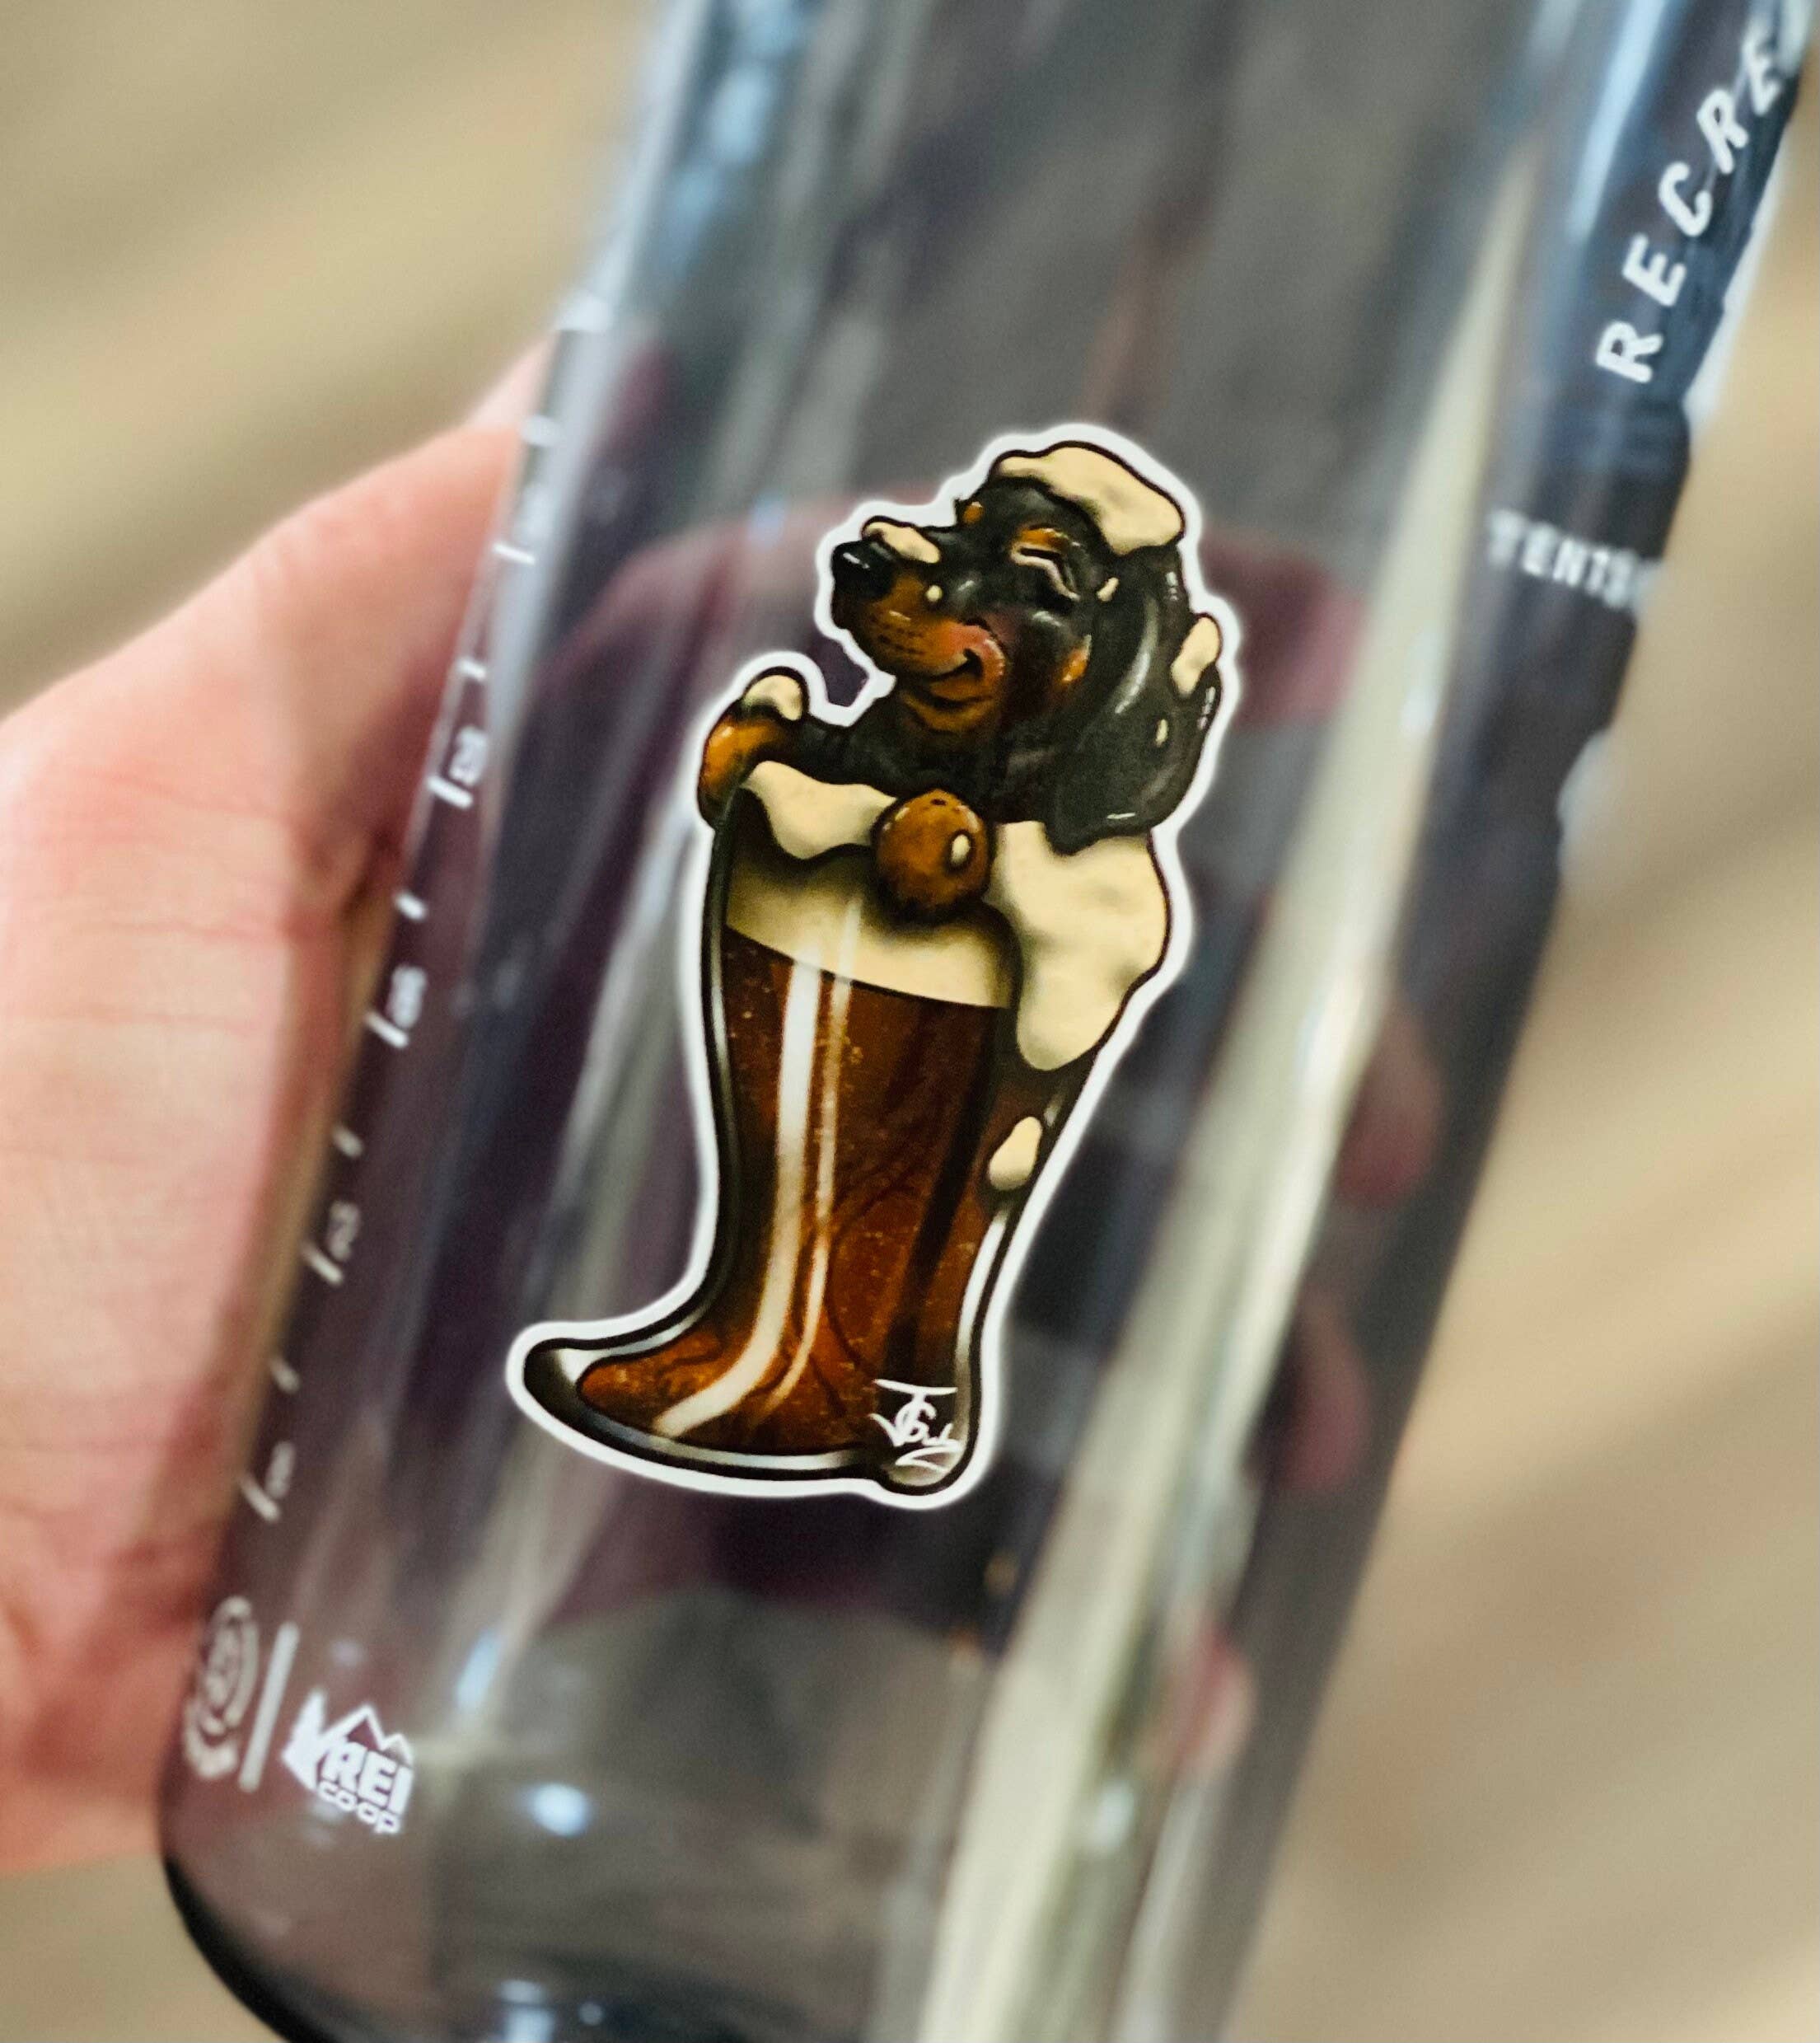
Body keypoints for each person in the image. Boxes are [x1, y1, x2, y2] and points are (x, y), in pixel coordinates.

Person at [0, 363, 1431, 1874]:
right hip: (308, 1689)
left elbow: (1079, 936)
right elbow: (802, 810)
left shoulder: (1089, 871)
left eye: (1021, 580)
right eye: (967, 549)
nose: (940, 579)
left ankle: (862, 1379)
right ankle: (742, 1339)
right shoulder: (880, 751)